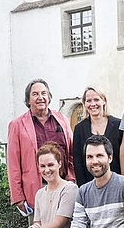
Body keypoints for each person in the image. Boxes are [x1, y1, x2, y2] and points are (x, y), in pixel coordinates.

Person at [7, 79, 74, 217]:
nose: (40, 97)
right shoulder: (17, 125)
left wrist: (71, 180)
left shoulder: (62, 120)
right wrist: (17, 196)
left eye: (44, 93)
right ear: (28, 100)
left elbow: (71, 153)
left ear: (49, 97)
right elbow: (13, 162)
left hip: (63, 186)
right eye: (35, 94)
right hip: (36, 189)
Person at [71, 87, 123, 186]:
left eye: (96, 99)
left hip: (116, 185)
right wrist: (83, 188)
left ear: (103, 101)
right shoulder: (79, 129)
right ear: (84, 103)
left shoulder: (118, 125)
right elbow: (78, 163)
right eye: (88, 101)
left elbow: (123, 157)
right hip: (90, 186)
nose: (92, 104)